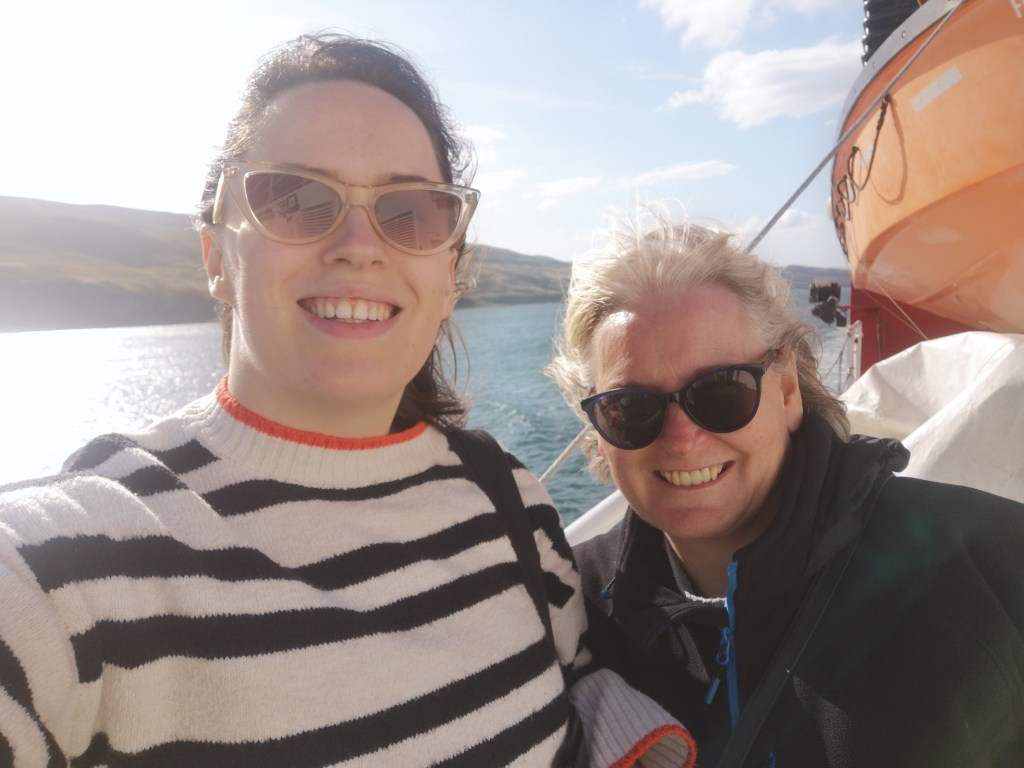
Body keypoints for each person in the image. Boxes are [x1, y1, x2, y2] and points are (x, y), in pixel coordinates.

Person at [0, 34, 696, 767]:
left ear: (449, 275)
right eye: (293, 199)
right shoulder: (67, 566)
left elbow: (577, 683)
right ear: (215, 256)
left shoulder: (508, 502)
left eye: (411, 212)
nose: (360, 244)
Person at [548, 214, 1024, 767]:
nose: (681, 442)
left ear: (788, 390)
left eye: (721, 391)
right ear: (598, 430)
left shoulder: (986, 563)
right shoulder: (566, 608)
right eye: (630, 408)